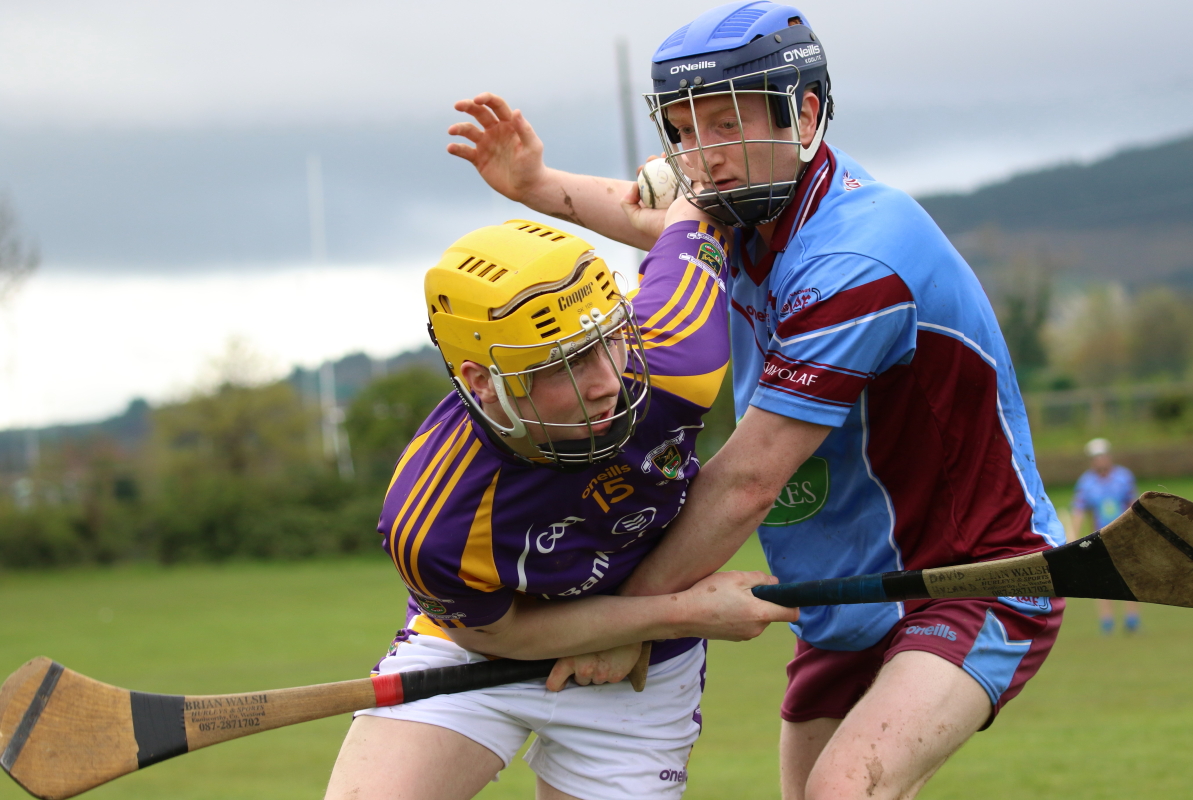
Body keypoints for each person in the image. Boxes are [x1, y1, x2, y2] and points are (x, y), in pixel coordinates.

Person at [445, 3, 1067, 798]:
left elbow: (746, 482)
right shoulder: (747, 211)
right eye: (686, 129)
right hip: (839, 591)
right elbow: (651, 217)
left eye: (727, 124)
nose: (705, 157)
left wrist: (630, 621)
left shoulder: (855, 260)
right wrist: (534, 184)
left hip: (968, 573)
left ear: (803, 114)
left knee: (844, 789)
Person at [324, 210, 801, 800]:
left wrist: (546, 187)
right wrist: (682, 612)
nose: (608, 381)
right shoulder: (432, 521)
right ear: (482, 381)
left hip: (643, 674)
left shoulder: (678, 353)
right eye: (566, 363)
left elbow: (695, 205)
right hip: (478, 657)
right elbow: (500, 634)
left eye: (609, 341)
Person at [1071, 437, 1140, 634]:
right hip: (1099, 538)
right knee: (1102, 580)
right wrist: (1074, 536)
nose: (1099, 460)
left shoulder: (1123, 477)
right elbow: (1079, 510)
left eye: (1102, 456)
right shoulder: (1086, 482)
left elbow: (1133, 505)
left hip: (1124, 536)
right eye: (1095, 457)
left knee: (1129, 577)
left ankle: (1132, 619)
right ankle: (1107, 622)